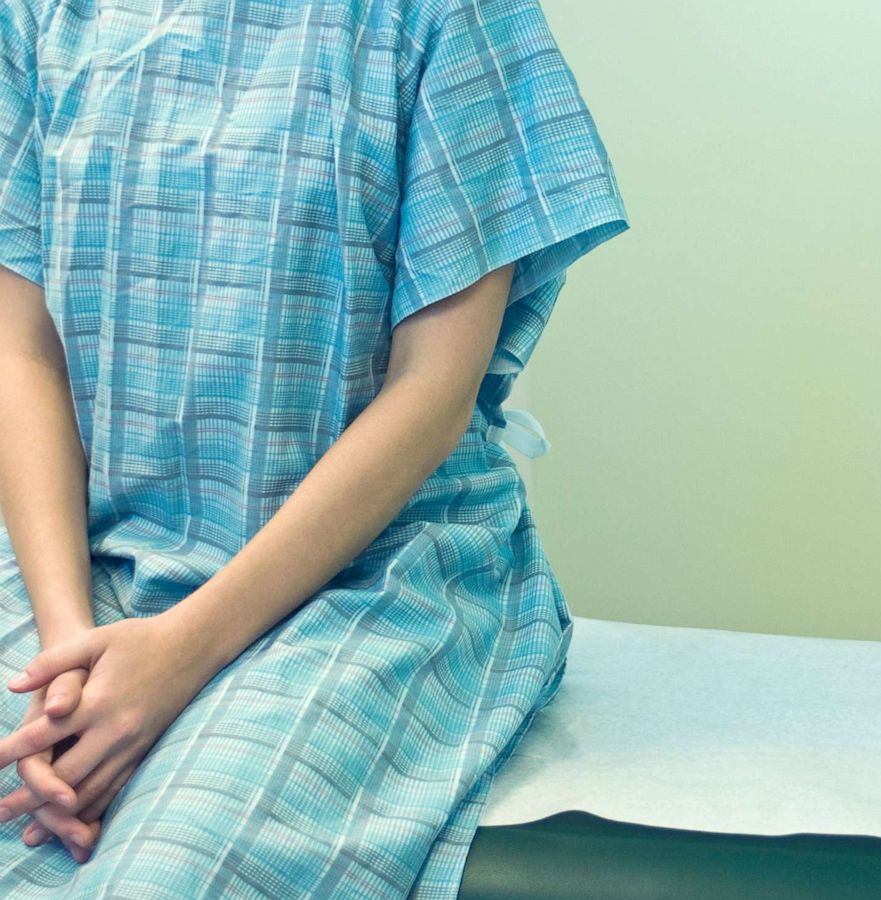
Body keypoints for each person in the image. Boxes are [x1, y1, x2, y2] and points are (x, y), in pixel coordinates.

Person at [0, 0, 630, 893]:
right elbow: (21, 350)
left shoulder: (447, 18)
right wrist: (69, 661)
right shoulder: (37, 17)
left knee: (165, 878)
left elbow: (433, 392)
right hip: (84, 561)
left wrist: (181, 652)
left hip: (371, 578)